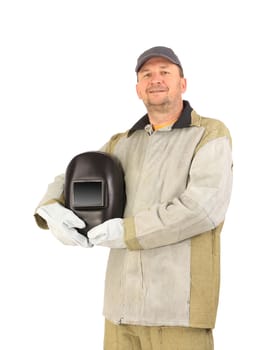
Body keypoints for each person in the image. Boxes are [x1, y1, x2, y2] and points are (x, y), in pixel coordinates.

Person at [34, 46, 233, 350]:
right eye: (147, 75)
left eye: (165, 72)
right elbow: (73, 175)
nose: (156, 79)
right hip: (120, 312)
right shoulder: (123, 143)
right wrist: (50, 209)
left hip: (177, 310)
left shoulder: (209, 134)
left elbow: (202, 209)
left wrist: (125, 232)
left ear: (183, 83)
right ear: (138, 89)